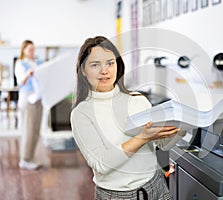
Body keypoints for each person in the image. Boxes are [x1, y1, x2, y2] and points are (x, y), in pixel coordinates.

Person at [71, 36, 186, 200]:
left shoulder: (138, 100)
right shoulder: (82, 113)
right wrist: (142, 137)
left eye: (110, 63)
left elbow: (162, 144)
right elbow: (101, 164)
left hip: (156, 187)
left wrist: (181, 128)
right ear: (83, 70)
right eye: (95, 64)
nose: (104, 70)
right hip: (117, 196)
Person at [15, 40, 43, 170]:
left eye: (33, 49)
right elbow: (21, 81)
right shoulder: (20, 64)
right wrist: (28, 74)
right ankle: (25, 159)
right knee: (28, 129)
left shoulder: (37, 63)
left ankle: (31, 157)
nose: (32, 52)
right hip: (27, 97)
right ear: (23, 50)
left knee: (36, 129)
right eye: (30, 49)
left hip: (38, 97)